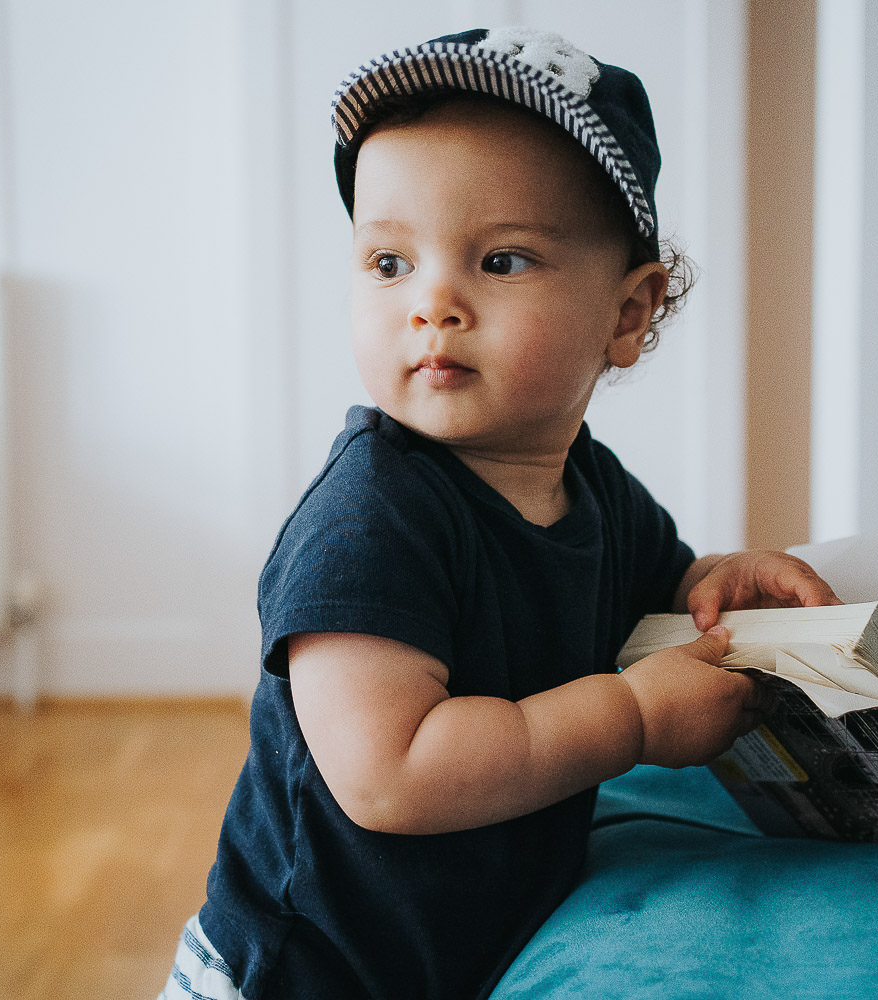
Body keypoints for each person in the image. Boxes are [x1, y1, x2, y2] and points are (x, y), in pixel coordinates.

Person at [158, 27, 839, 1000]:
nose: (432, 303)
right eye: (389, 263)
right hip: (304, 972)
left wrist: (717, 583)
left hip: (452, 955)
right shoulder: (366, 523)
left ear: (628, 314)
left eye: (503, 260)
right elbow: (391, 772)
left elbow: (660, 594)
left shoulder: (593, 491)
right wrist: (634, 718)